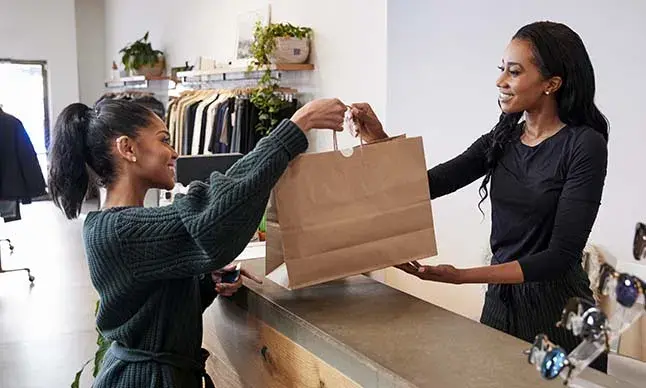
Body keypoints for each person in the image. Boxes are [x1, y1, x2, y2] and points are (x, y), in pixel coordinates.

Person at [350, 21, 609, 372]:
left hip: (561, 318)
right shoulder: (502, 139)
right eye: (501, 69)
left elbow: (560, 256)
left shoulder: (584, 145)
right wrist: (377, 139)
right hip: (500, 309)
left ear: (552, 83)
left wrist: (460, 276)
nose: (500, 81)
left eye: (514, 72)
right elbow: (429, 184)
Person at [47, 97, 346, 387]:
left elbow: (154, 305)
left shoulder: (127, 223)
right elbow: (211, 217)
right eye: (163, 140)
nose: (174, 152)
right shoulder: (117, 231)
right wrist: (296, 126)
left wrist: (206, 280)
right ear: (127, 148)